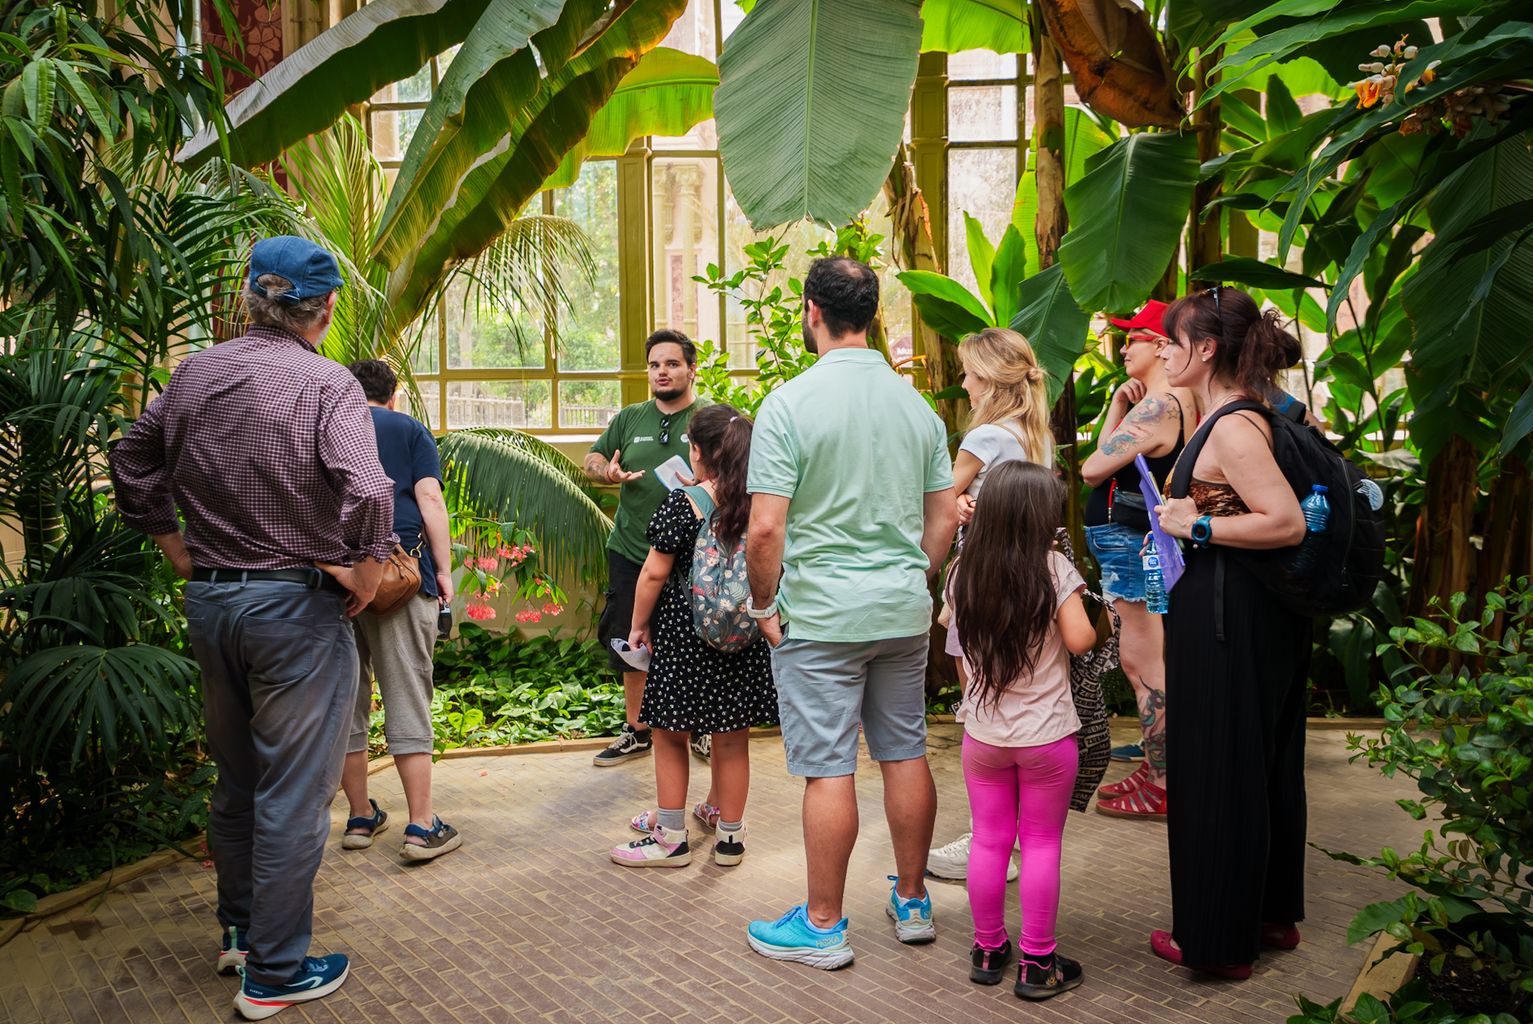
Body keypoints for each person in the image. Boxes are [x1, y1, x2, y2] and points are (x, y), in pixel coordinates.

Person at [109, 236, 395, 1020]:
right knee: (295, 797)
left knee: (237, 783)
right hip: (295, 611)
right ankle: (273, 972)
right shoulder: (327, 383)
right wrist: (369, 571)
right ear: (326, 308)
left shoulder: (197, 370)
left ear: (249, 300)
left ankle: (238, 931)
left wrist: (173, 542)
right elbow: (368, 487)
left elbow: (131, 459)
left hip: (213, 605)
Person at [743, 257, 958, 970]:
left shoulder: (789, 404)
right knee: (902, 751)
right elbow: (943, 516)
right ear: (869, 312)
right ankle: (913, 900)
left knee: (828, 768)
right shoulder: (915, 408)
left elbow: (765, 528)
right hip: (899, 611)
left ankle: (824, 924)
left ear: (810, 309)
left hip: (822, 618)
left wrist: (763, 602)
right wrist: (910, 578)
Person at [1148, 285, 1309, 978]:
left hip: (1224, 620)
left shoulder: (1233, 426)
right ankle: (1266, 915)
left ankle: (1215, 941)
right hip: (1245, 615)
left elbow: (1285, 521)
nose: (1159, 348)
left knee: (1216, 770)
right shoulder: (1240, 413)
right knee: (1260, 763)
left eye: (1170, 339)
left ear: (1205, 349)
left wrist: (1197, 524)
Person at [949, 461, 1098, 1000]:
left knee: (990, 840)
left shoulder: (963, 571)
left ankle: (988, 950)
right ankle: (1038, 963)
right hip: (1047, 737)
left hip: (984, 737)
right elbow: (1080, 640)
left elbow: (959, 653)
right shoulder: (1053, 568)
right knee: (1040, 844)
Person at [609, 404, 777, 869]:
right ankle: (729, 838)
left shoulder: (683, 504)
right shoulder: (760, 501)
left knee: (668, 734)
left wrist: (639, 624)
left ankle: (670, 836)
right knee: (731, 737)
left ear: (700, 452)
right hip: (744, 633)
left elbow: (652, 574)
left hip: (686, 635)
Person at [928, 326, 1054, 881]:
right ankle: (1020, 836)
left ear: (992, 381)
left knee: (981, 712)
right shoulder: (1036, 436)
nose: (963, 383)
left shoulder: (985, 438)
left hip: (980, 583)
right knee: (1019, 702)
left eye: (969, 374)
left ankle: (989, 841)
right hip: (1030, 584)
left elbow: (937, 501)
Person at [336, 360, 461, 861]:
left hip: (336, 582)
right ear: (393, 396)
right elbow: (429, 497)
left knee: (347, 701)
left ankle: (361, 817)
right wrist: (446, 571)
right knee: (407, 695)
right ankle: (420, 827)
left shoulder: (330, 423)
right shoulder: (407, 428)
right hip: (400, 579)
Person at [1078, 300, 1196, 820]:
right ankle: (1157, 771)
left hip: (1132, 547)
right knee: (1148, 660)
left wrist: (1123, 413)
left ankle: (1165, 784)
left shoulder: (1159, 407)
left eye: (1136, 337)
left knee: (1142, 664)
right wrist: (1116, 409)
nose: (1125, 346)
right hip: (1133, 546)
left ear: (1163, 345)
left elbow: (1092, 468)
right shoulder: (1162, 403)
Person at [585, 330, 708, 767]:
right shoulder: (629, 418)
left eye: (672, 364)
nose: (662, 372)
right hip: (632, 550)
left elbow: (740, 472)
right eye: (655, 364)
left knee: (698, 642)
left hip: (696, 557)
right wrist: (609, 473)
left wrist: (711, 484)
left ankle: (701, 730)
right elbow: (593, 462)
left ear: (692, 368)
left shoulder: (711, 418)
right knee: (629, 642)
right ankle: (637, 730)